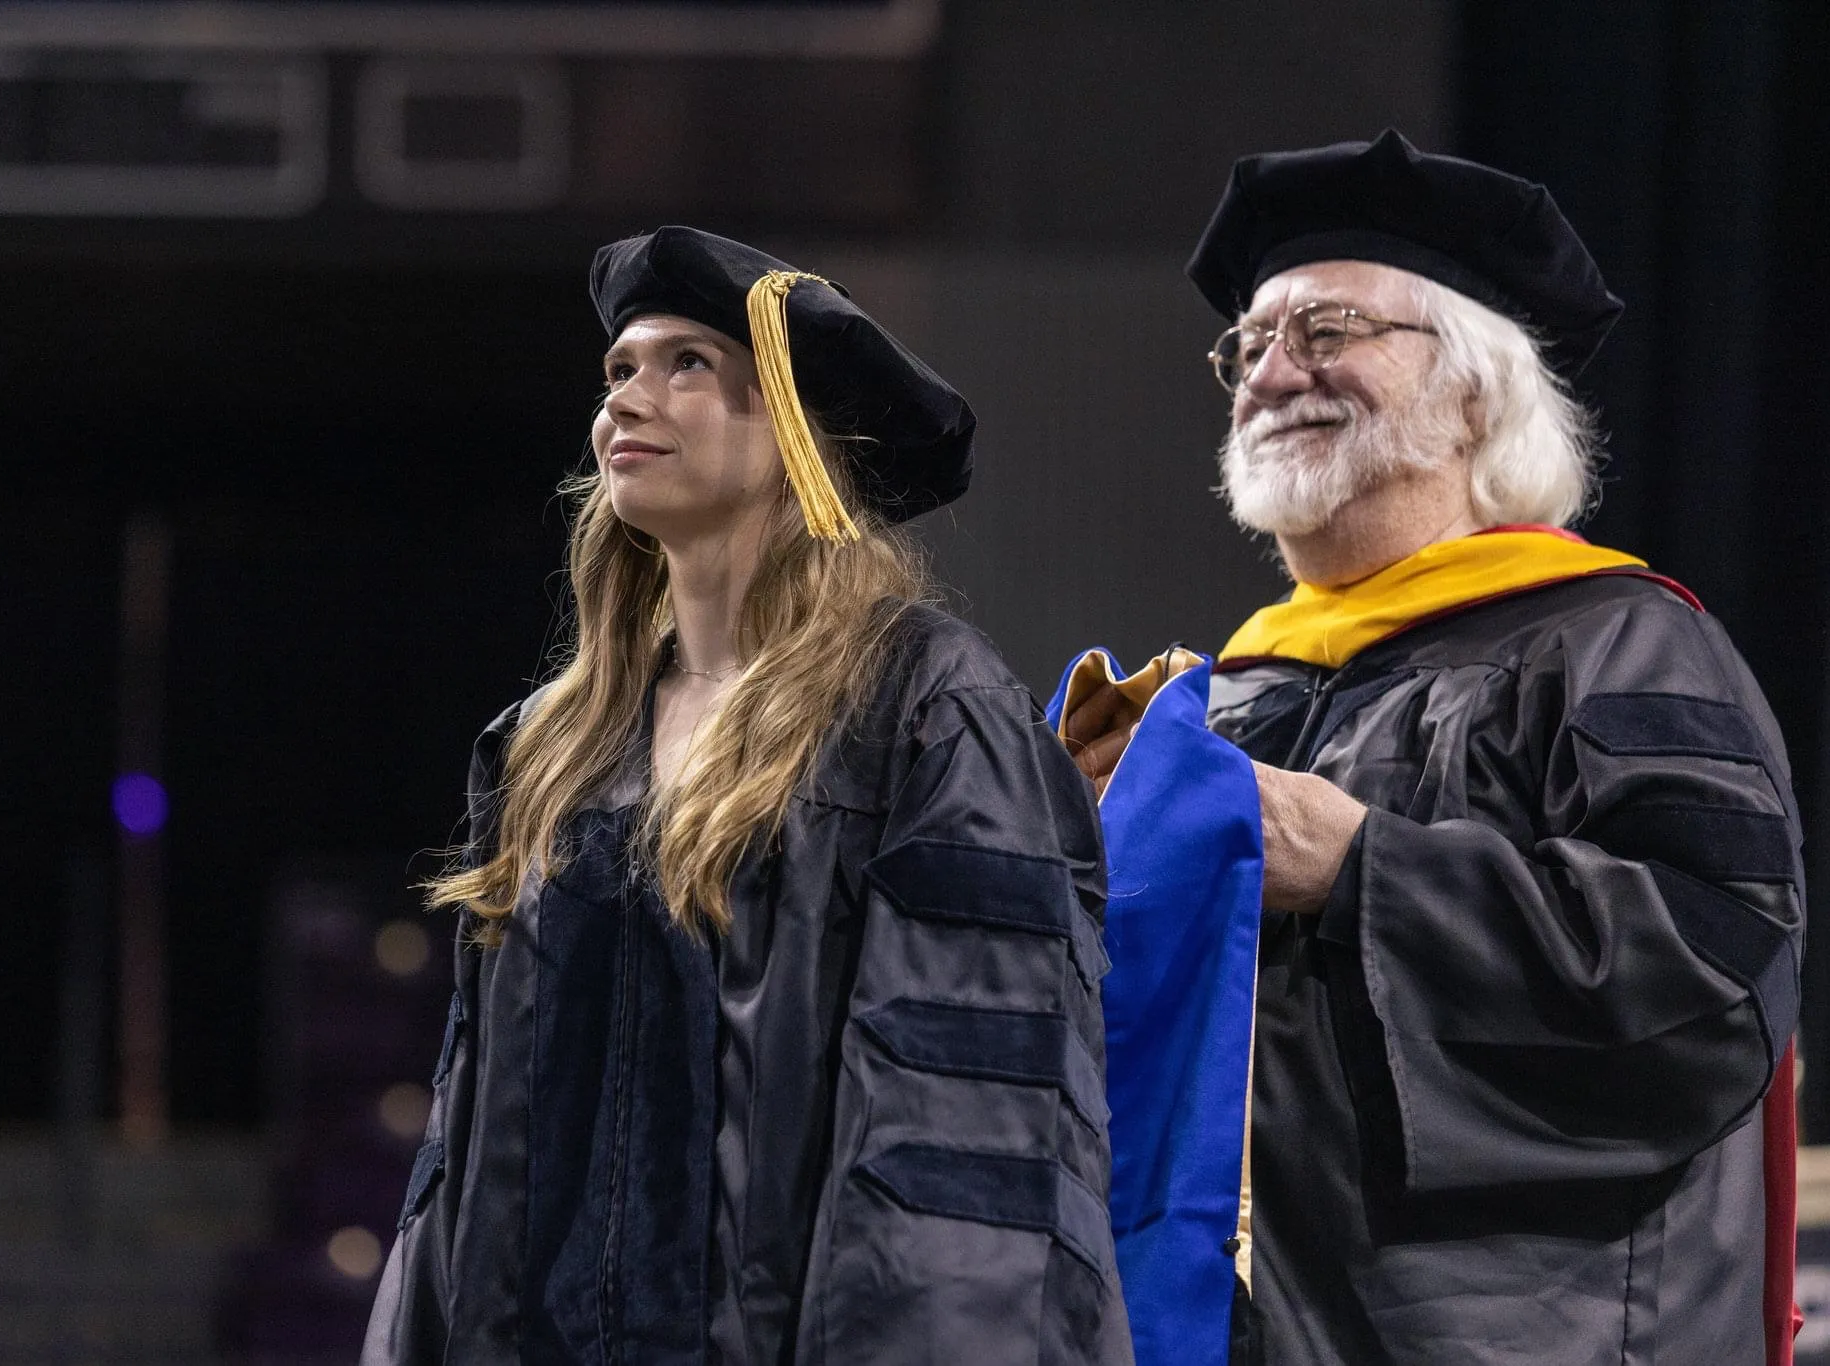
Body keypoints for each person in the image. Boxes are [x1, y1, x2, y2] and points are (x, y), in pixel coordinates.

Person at [1067, 131, 1804, 1366]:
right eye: (1248, 346)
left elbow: (1717, 977)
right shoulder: (1233, 696)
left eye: (1327, 331)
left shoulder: (1615, 646)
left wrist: (1362, 867)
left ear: (1476, 391)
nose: (1269, 374)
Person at [362, 226, 1130, 1364]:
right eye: (618, 369)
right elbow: (471, 1143)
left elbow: (963, 1133)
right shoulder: (552, 745)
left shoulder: (919, 705)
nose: (627, 395)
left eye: (688, 365)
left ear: (798, 437)